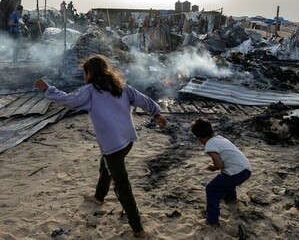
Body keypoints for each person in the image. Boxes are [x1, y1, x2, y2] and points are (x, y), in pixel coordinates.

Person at [34, 54, 168, 238]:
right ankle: (99, 197)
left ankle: (138, 229)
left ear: (90, 73)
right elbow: (143, 99)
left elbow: (68, 101)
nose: (83, 76)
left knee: (122, 186)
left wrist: (48, 89)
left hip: (113, 144)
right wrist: (156, 114)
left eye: (84, 73)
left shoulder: (89, 91)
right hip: (127, 140)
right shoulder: (120, 87)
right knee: (106, 163)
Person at [190, 118, 251, 227]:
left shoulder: (209, 145)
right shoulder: (220, 138)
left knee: (211, 188)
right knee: (227, 178)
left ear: (199, 138)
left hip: (236, 172)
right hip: (246, 169)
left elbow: (219, 165)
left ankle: (211, 221)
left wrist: (212, 167)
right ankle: (231, 198)